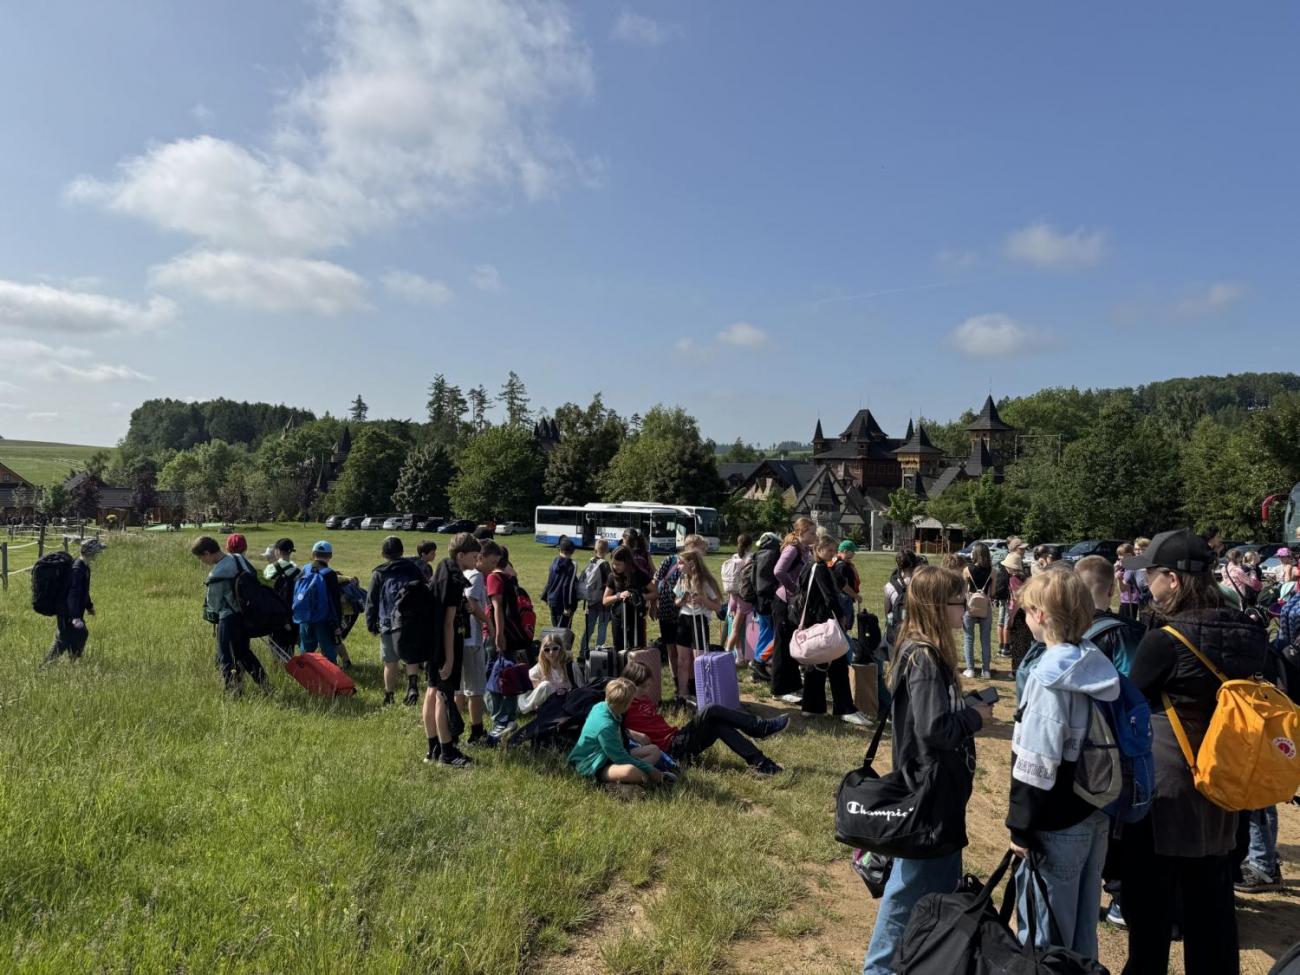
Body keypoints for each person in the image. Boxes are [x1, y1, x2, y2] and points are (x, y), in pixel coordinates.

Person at [1118, 529, 1268, 975]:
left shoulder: (1166, 640)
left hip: (1168, 791)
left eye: (1152, 575)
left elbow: (1129, 703)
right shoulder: (1249, 631)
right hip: (1226, 781)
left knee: (1151, 908)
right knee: (1213, 903)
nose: (1147, 584)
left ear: (1175, 580)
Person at [862, 566, 992, 975]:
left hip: (939, 790)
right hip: (929, 790)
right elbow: (933, 727)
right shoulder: (923, 656)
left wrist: (965, 705)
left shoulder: (926, 652)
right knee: (907, 895)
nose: (967, 609)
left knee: (934, 891)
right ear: (939, 606)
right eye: (960, 601)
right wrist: (975, 719)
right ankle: (879, 970)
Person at [1007, 569, 1119, 961]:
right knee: (1083, 925)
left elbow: (1036, 759)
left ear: (1040, 615)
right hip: (1095, 809)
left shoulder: (1048, 675)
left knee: (1046, 933)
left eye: (1025, 613)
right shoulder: (1095, 662)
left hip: (1055, 820)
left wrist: (1019, 826)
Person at [621, 659, 787, 776]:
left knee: (718, 723)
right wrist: (631, 733)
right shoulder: (623, 706)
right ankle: (760, 728)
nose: (647, 690)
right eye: (643, 687)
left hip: (678, 740)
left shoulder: (643, 699)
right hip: (670, 751)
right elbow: (610, 725)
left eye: (647, 686)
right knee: (710, 710)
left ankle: (762, 764)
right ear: (630, 684)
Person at [424, 532, 481, 768]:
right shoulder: (453, 579)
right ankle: (448, 752)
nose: (477, 560)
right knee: (442, 697)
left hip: (432, 643)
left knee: (432, 692)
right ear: (461, 555)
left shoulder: (442, 569)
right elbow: (449, 622)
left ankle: (433, 748)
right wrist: (449, 658)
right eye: (474, 555)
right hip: (445, 646)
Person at [795, 536, 866, 724]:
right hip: (824, 624)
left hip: (813, 622)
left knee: (817, 664)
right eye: (829, 550)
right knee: (838, 665)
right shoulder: (820, 569)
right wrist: (840, 618)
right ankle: (844, 708)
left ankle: (812, 707)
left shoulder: (808, 567)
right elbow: (829, 597)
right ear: (818, 549)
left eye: (834, 550)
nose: (833, 554)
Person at [191, 535, 270, 695]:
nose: (201, 561)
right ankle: (266, 686)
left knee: (225, 655)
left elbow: (214, 605)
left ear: (207, 553)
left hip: (228, 618)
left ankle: (232, 690)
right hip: (246, 615)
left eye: (201, 557)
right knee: (244, 653)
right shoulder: (239, 559)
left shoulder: (217, 574)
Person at [567, 678, 665, 797]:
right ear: (623, 706)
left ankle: (637, 778)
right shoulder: (605, 726)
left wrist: (645, 768)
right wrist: (650, 770)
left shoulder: (603, 706)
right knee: (631, 771)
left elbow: (619, 750)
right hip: (594, 765)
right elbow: (620, 758)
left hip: (611, 755)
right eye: (630, 702)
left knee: (654, 750)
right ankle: (608, 785)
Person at [365, 535, 426, 706]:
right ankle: (412, 687)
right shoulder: (414, 569)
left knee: (390, 662)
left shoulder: (380, 572)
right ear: (402, 551)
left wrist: (371, 623)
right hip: (412, 621)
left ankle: (389, 696)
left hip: (388, 621)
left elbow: (371, 600)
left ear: (383, 553)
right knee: (411, 658)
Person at [485, 539, 530, 738]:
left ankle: (499, 720)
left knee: (493, 678)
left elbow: (497, 608)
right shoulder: (511, 578)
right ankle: (509, 717)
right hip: (514, 634)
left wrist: (498, 634)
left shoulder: (494, 578)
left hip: (499, 634)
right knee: (508, 675)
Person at [458, 539, 498, 746]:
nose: (493, 568)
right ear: (479, 558)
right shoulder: (475, 576)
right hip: (472, 639)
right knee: (476, 688)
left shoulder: (463, 573)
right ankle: (476, 732)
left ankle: (453, 727)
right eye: (491, 562)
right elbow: (471, 603)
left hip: (459, 639)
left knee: (459, 686)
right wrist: (489, 622)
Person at [772, 517, 816, 702]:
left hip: (793, 604)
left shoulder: (805, 550)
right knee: (781, 646)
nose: (815, 536)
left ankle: (791, 686)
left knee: (791, 644)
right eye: (811, 533)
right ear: (800, 532)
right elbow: (778, 571)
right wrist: (794, 589)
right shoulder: (793, 549)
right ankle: (779, 690)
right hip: (784, 602)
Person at [43, 537, 103, 663]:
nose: (98, 554)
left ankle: (73, 662)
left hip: (73, 609)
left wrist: (89, 606)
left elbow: (83, 591)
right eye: (97, 551)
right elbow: (73, 594)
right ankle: (45, 666)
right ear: (91, 552)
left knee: (80, 634)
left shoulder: (84, 567)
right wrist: (75, 617)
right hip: (66, 610)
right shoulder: (77, 569)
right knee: (64, 638)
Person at [297, 541, 345, 664]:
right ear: (330, 556)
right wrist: (337, 624)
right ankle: (332, 679)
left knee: (306, 649)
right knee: (328, 649)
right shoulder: (329, 574)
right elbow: (335, 601)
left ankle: (306, 677)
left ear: (313, 554)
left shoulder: (305, 569)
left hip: (305, 616)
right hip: (324, 618)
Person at [603, 547, 654, 653]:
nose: (615, 567)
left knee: (637, 649)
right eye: (614, 563)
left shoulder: (639, 574)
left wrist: (640, 596)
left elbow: (655, 592)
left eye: (619, 564)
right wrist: (618, 596)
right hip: (619, 618)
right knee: (619, 650)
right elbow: (605, 600)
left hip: (636, 618)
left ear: (627, 562)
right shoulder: (612, 576)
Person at [748, 531, 782, 682]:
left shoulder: (757, 555)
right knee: (777, 634)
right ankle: (760, 662)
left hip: (758, 600)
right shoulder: (775, 555)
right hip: (771, 599)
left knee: (764, 632)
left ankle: (757, 668)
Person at [961, 542, 994, 679]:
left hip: (970, 606)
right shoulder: (993, 571)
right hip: (985, 606)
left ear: (974, 554)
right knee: (985, 639)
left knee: (969, 638)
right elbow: (992, 592)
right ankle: (986, 671)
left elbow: (964, 589)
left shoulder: (967, 570)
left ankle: (970, 669)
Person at [519, 632, 575, 713]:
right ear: (543, 652)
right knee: (545, 685)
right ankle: (522, 708)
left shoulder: (571, 666)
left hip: (566, 701)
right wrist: (536, 683)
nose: (551, 653)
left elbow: (581, 687)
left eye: (555, 648)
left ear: (561, 649)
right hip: (549, 702)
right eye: (547, 650)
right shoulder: (541, 666)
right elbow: (525, 679)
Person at [722, 533, 753, 663]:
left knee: (735, 627)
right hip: (743, 596)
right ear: (750, 545)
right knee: (736, 628)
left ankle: (739, 656)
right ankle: (726, 654)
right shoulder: (749, 558)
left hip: (732, 596)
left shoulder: (734, 557)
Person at [579, 539, 612, 654]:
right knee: (602, 628)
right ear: (607, 550)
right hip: (603, 602)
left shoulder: (591, 561)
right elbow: (610, 583)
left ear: (595, 549)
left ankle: (582, 652)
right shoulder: (605, 564)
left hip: (590, 600)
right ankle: (599, 653)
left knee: (589, 628)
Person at [883, 549, 919, 649]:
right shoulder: (921, 584)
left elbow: (887, 612)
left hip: (897, 634)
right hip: (917, 634)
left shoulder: (889, 586)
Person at [541, 537, 579, 627]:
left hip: (552, 601)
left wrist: (546, 596)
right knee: (564, 631)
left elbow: (549, 581)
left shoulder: (554, 561)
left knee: (556, 628)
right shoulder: (571, 566)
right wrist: (567, 607)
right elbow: (567, 587)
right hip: (563, 604)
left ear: (560, 549)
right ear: (572, 551)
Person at [832, 539, 861, 634]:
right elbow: (843, 586)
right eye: (853, 551)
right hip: (843, 599)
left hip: (843, 598)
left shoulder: (836, 562)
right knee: (844, 624)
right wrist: (856, 596)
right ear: (845, 551)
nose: (854, 554)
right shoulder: (842, 566)